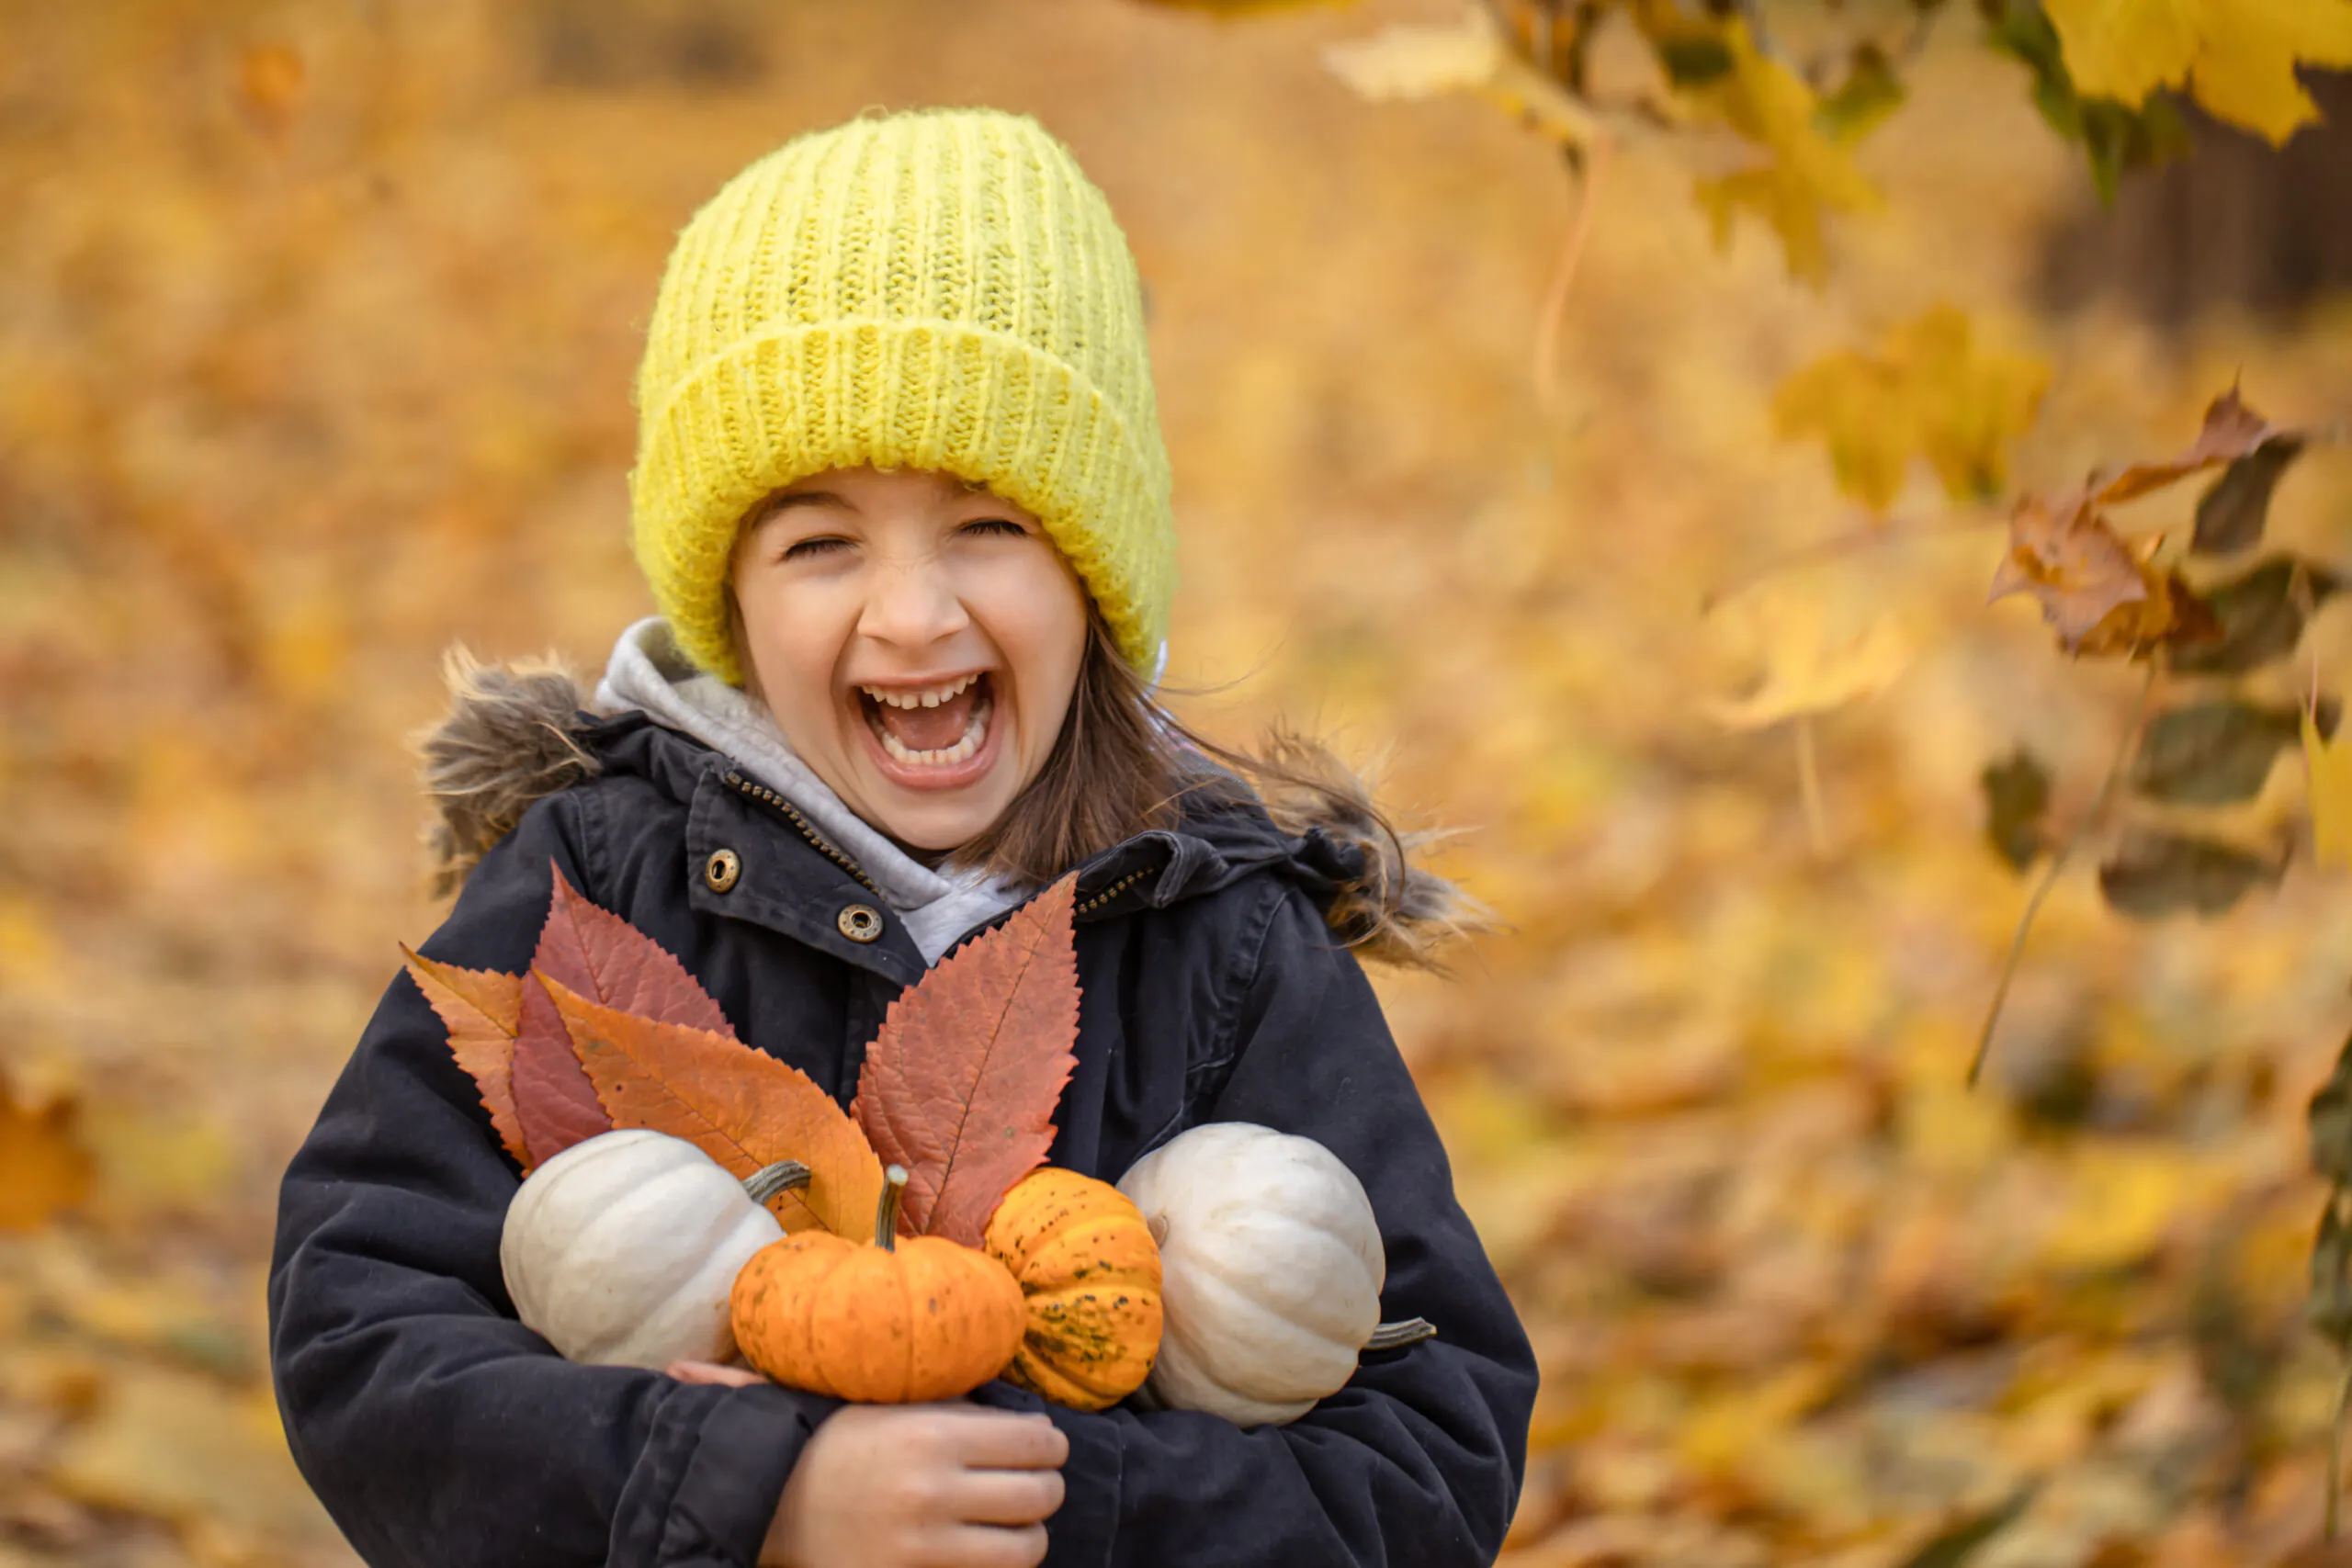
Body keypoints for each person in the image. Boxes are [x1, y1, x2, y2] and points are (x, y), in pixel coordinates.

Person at [267, 106, 1536, 1568]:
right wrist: (756, 1492)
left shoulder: (1222, 936)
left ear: (1095, 568)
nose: (914, 615)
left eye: (988, 524)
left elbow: (1431, 1444)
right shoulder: (600, 886)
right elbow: (360, 1331)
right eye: (821, 544)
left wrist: (1033, 1499)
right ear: (733, 604)